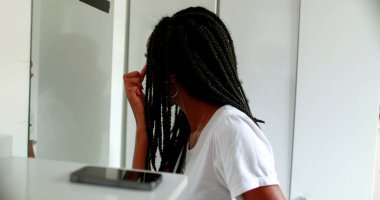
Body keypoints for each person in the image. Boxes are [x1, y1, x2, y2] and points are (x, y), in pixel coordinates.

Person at [123, 6, 285, 200]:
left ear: (172, 76)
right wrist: (143, 126)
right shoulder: (189, 136)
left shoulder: (229, 129)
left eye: (151, 60)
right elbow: (141, 195)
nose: (145, 72)